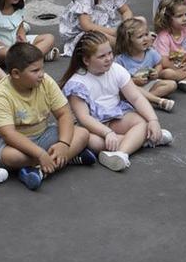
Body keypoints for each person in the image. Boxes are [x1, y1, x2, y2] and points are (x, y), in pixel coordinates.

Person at [64, 30, 169, 171]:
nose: (108, 58)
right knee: (93, 142)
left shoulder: (116, 69)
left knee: (141, 123)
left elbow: (136, 97)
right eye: (101, 56)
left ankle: (121, 153)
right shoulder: (77, 83)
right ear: (86, 60)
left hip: (115, 116)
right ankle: (143, 139)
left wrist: (153, 120)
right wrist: (106, 133)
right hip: (92, 126)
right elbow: (84, 118)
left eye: (109, 53)